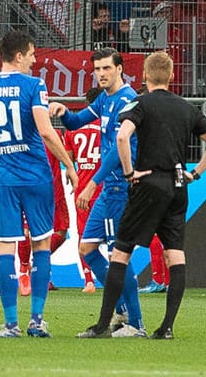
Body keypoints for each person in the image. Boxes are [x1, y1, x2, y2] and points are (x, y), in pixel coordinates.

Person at [79, 51, 206, 341]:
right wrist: (195, 174)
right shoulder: (187, 108)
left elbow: (122, 137)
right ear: (171, 77)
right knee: (175, 255)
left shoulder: (140, 103)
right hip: (177, 185)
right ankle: (166, 327)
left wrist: (130, 172)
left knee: (120, 253)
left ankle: (108, 323)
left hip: (148, 184)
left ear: (145, 76)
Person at [0, 30, 78, 338]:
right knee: (41, 244)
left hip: (3, 180)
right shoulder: (34, 86)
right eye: (31, 54)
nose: (34, 59)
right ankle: (36, 321)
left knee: (4, 248)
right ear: (18, 57)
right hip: (37, 178)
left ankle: (10, 324)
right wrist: (68, 164)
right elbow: (45, 130)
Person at [50, 48, 146, 335]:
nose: (101, 74)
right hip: (109, 190)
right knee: (87, 249)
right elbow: (78, 122)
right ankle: (121, 309)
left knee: (119, 256)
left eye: (106, 68)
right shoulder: (105, 99)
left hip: (120, 188)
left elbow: (120, 148)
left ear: (119, 69)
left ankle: (136, 322)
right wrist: (64, 112)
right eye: (97, 70)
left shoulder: (128, 100)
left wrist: (92, 182)